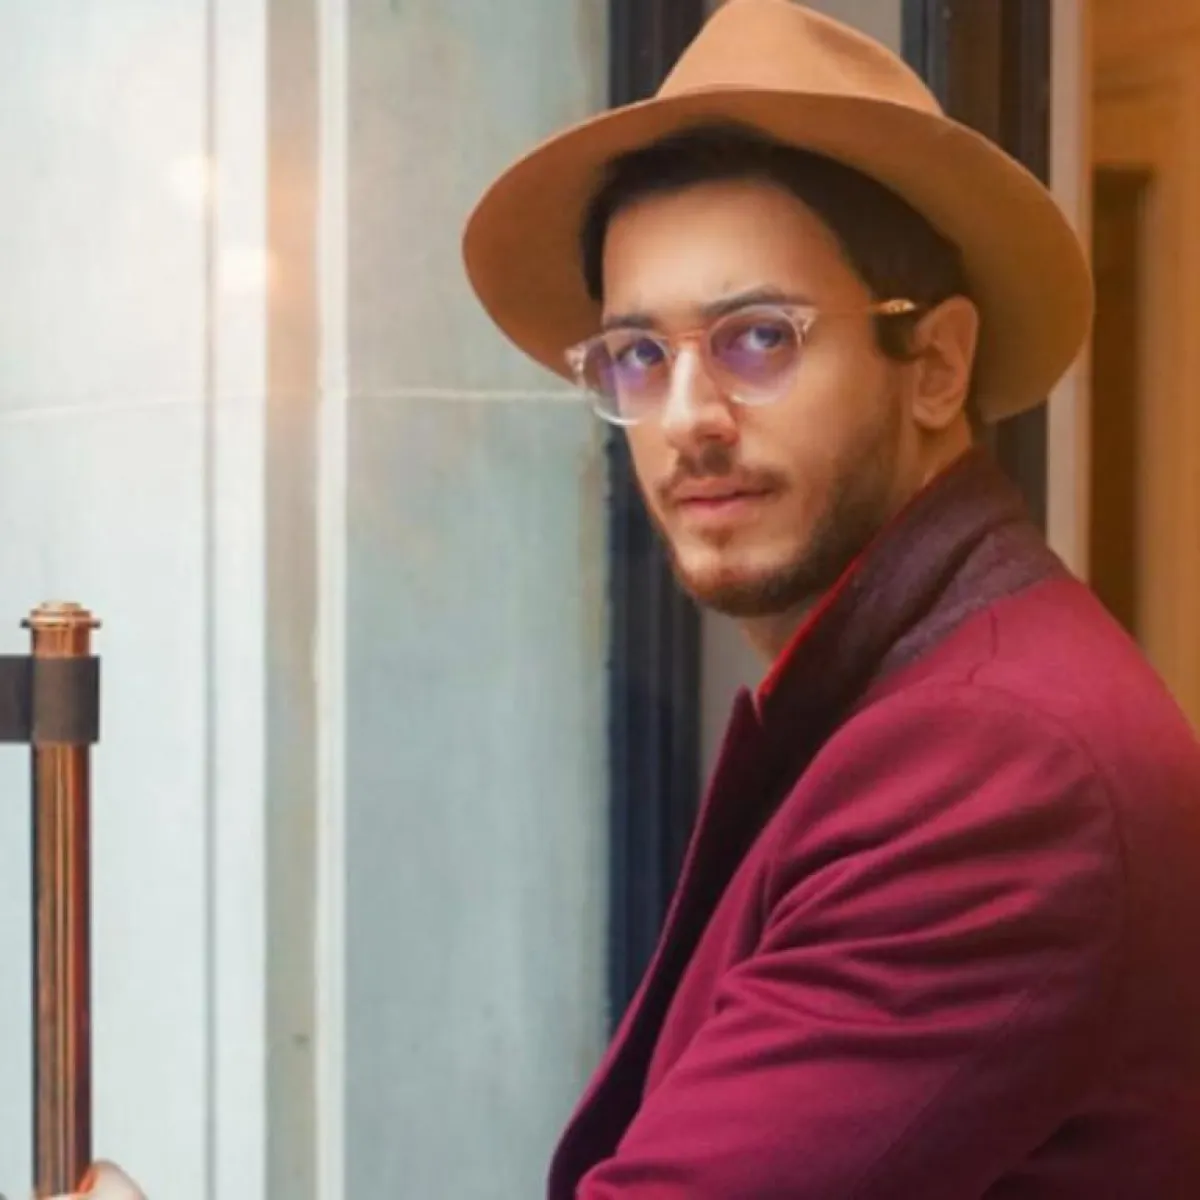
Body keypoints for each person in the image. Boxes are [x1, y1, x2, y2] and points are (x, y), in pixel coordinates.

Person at [71, 1, 1200, 1196]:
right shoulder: (930, 695)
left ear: (935, 366)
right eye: (640, 356)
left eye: (760, 338)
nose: (688, 418)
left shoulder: (996, 763)